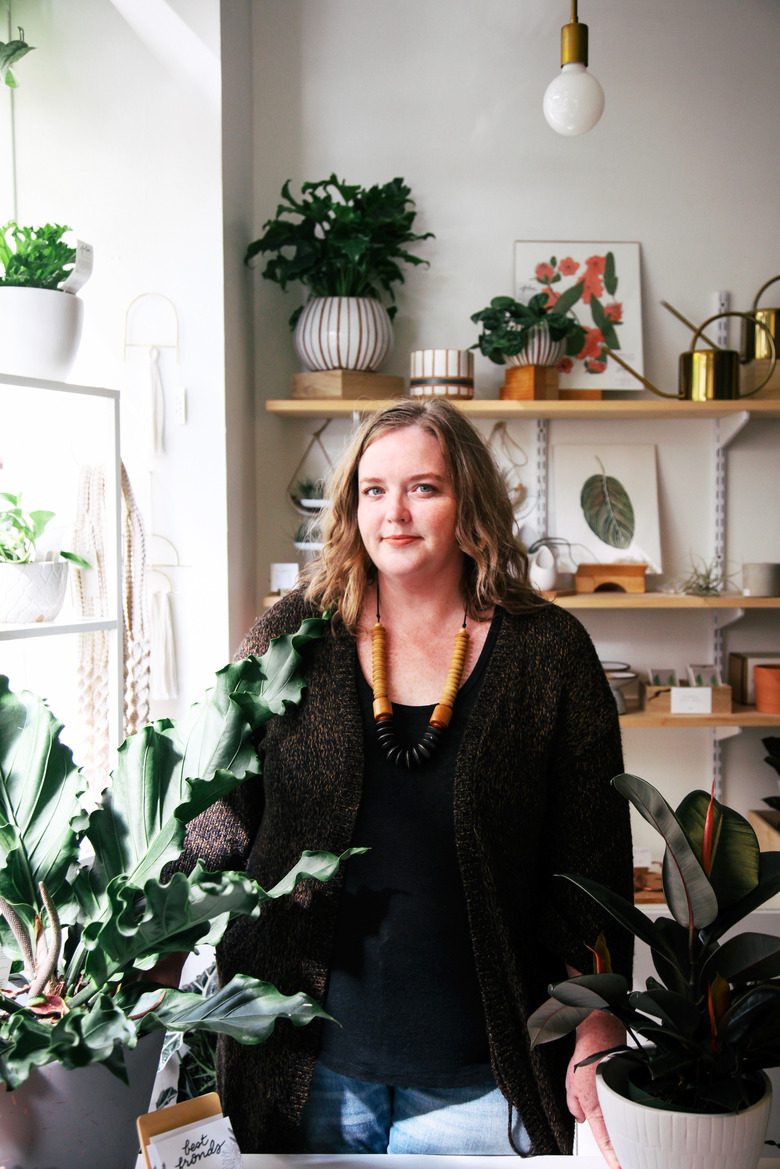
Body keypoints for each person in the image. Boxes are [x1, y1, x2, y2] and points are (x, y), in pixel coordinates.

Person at [174, 398, 633, 1160]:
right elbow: (216, 820)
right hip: (303, 1064)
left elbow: (591, 866)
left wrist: (597, 1017)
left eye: (425, 487)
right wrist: (120, 955)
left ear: (469, 505)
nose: (396, 513)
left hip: (484, 1075)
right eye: (374, 489)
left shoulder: (550, 654)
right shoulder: (291, 636)